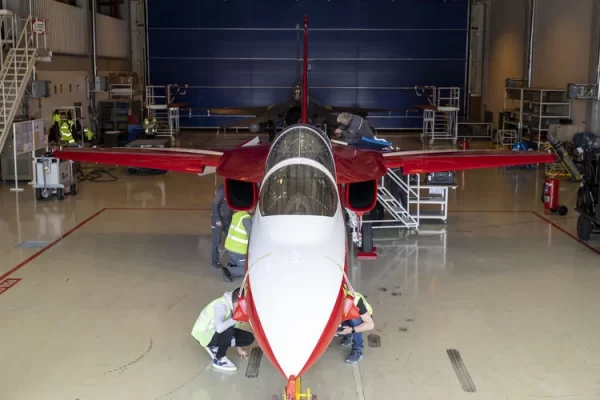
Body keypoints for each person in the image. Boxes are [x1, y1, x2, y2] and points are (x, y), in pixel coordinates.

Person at [191, 288, 254, 371]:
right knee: (228, 329)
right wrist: (235, 319)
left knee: (249, 338)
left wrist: (239, 349)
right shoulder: (221, 306)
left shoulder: (234, 306)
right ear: (237, 302)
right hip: (204, 335)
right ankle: (219, 359)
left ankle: (215, 346)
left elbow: (235, 327)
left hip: (215, 333)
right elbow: (220, 328)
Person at [337, 287, 375, 364]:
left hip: (362, 318)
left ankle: (358, 350)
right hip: (346, 315)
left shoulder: (356, 301)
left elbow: (370, 324)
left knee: (355, 320)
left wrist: (351, 330)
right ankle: (347, 334)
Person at [222, 208, 253, 282]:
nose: (254, 209)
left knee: (235, 259)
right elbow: (251, 236)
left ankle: (232, 264)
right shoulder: (247, 219)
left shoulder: (238, 214)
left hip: (230, 246)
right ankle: (230, 271)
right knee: (249, 270)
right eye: (254, 207)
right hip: (238, 249)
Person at [211, 184, 232, 268]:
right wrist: (217, 219)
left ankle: (232, 260)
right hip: (218, 221)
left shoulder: (233, 189)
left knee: (231, 239)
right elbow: (214, 205)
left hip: (228, 219)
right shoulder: (222, 190)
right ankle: (214, 261)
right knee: (216, 241)